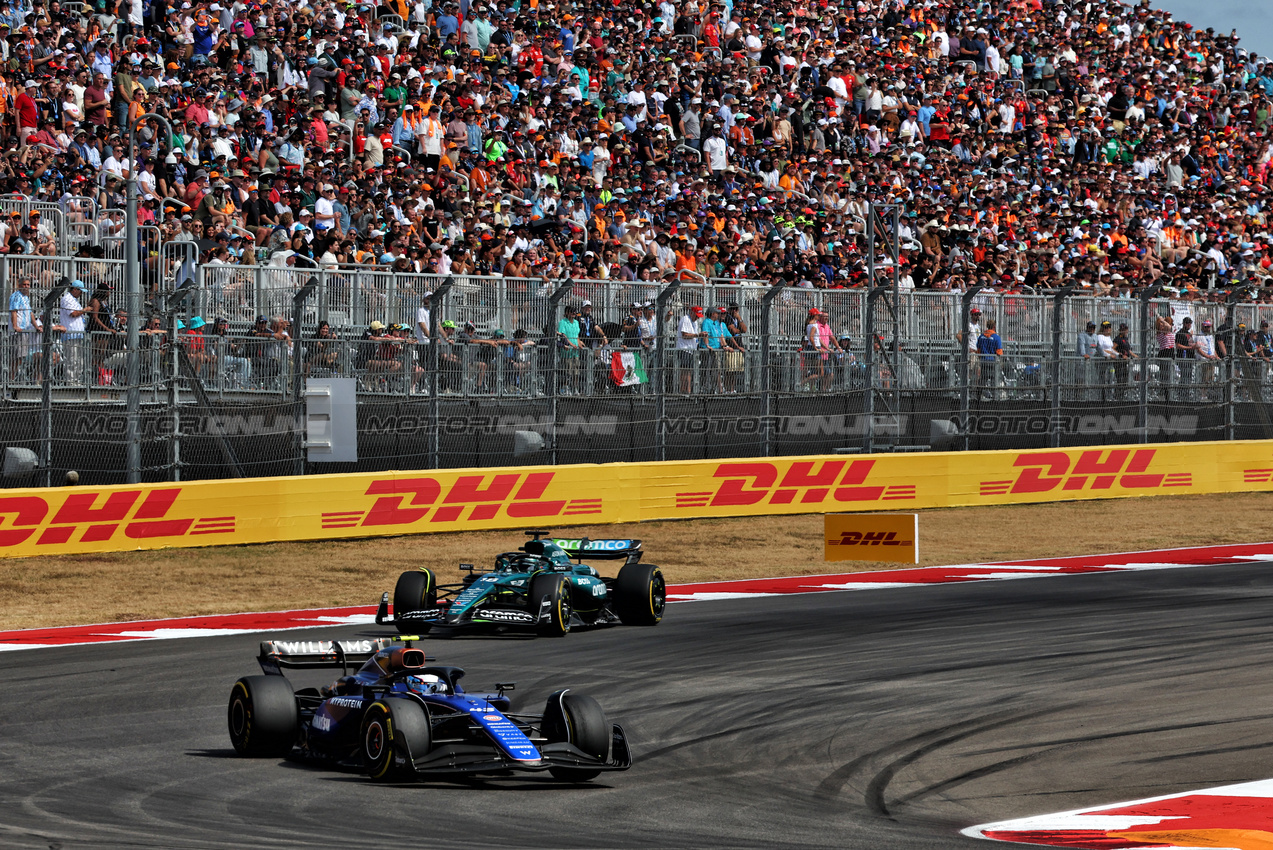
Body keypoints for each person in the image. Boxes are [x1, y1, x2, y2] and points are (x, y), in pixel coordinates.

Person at [8, 277, 40, 380]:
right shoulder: (16, 296)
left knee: (21, 357)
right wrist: (15, 326)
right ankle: (11, 379)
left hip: (25, 332)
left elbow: (30, 313)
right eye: (24, 285)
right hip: (18, 332)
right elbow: (14, 311)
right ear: (19, 285)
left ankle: (15, 378)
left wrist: (36, 326)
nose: (26, 287)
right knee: (16, 358)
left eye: (28, 285)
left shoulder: (26, 297)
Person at [58, 281, 88, 385]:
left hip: (78, 335)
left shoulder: (74, 300)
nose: (81, 294)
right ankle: (71, 381)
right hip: (70, 334)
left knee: (79, 360)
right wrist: (85, 310)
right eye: (80, 291)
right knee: (72, 359)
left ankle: (77, 380)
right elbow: (73, 313)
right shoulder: (67, 299)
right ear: (74, 289)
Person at [676, 304, 704, 392]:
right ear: (691, 313)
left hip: (691, 349)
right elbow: (684, 335)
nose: (697, 318)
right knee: (685, 371)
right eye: (696, 316)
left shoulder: (694, 322)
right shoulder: (686, 319)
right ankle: (684, 390)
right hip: (684, 348)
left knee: (689, 371)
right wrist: (698, 335)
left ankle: (688, 390)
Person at [976, 318, 1003, 399]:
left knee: (983, 380)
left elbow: (978, 349)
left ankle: (978, 397)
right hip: (993, 362)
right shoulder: (996, 337)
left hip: (984, 361)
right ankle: (995, 397)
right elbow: (999, 352)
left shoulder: (981, 337)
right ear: (994, 327)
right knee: (994, 380)